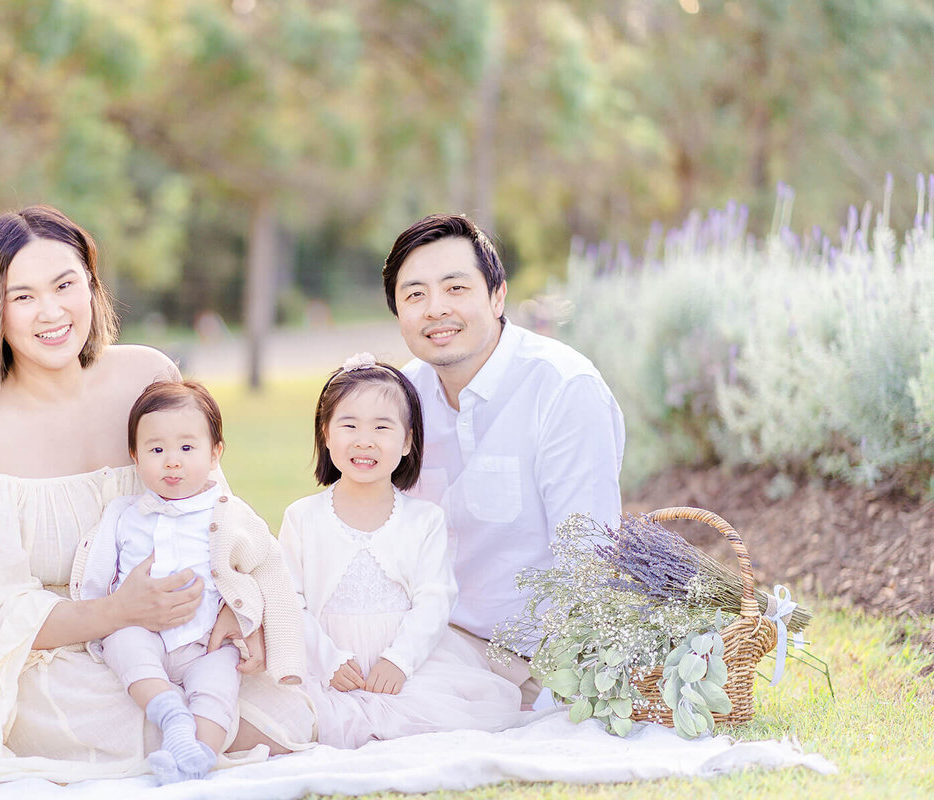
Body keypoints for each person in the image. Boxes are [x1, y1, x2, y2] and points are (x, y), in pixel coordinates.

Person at [0, 205, 315, 766]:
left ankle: (191, 727)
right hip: (60, 656)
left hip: (188, 626)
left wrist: (241, 610)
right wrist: (118, 612)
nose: (52, 311)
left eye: (66, 285)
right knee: (112, 715)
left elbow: (218, 515)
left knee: (282, 709)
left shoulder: (147, 378)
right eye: (23, 296)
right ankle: (177, 736)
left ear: (91, 286)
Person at [381, 214, 626, 703]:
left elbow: (589, 562)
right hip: (420, 637)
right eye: (414, 295)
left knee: (374, 714)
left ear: (497, 296)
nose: (435, 309)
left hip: (528, 658)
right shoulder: (400, 396)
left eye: (455, 288)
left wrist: (573, 683)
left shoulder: (561, 389)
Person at [278, 354, 529, 748]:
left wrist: (400, 660)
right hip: (325, 665)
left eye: (382, 426)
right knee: (288, 719)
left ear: (408, 440)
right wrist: (327, 660)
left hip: (409, 667)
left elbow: (435, 598)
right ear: (326, 434)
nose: (365, 440)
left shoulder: (423, 520)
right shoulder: (302, 518)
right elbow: (288, 603)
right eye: (349, 425)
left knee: (435, 725)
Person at [77, 380, 303, 782]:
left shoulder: (230, 515)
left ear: (215, 453)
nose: (172, 462)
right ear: (135, 455)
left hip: (207, 641)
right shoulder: (125, 514)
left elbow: (270, 570)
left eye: (187, 448)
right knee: (125, 646)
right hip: (142, 630)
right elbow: (96, 572)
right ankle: (170, 713)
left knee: (219, 687)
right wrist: (94, 621)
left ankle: (197, 754)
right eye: (156, 449)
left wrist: (276, 646)